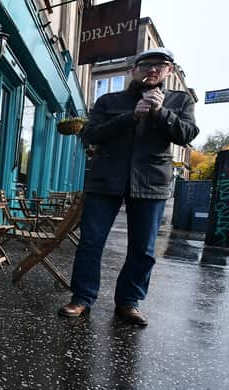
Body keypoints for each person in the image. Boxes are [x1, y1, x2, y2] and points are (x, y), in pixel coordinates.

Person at [58, 47, 199, 326]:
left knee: (143, 248)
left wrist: (160, 113)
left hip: (151, 182)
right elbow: (90, 134)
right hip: (106, 179)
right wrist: (131, 116)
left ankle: (128, 302)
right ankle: (82, 298)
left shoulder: (180, 101)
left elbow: (187, 135)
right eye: (146, 65)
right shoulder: (109, 100)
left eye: (160, 65)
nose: (153, 70)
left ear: (169, 71)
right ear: (133, 70)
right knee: (91, 242)